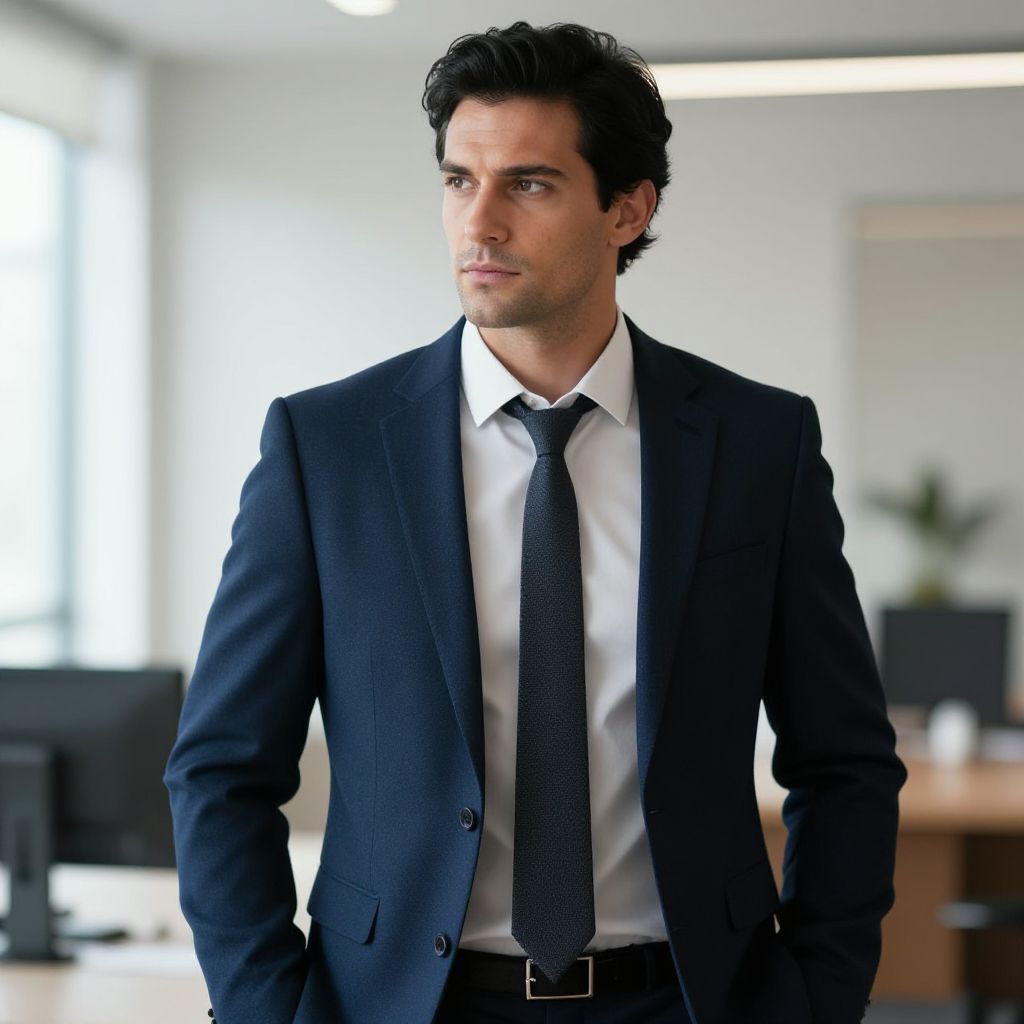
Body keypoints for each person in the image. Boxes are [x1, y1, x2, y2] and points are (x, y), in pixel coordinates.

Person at [164, 21, 907, 1024]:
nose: (480, 222)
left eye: (529, 183)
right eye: (458, 180)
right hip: (405, 1005)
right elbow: (220, 768)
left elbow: (843, 759)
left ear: (626, 209)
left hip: (688, 999)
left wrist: (815, 996)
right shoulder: (327, 448)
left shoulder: (756, 445)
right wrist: (266, 1010)